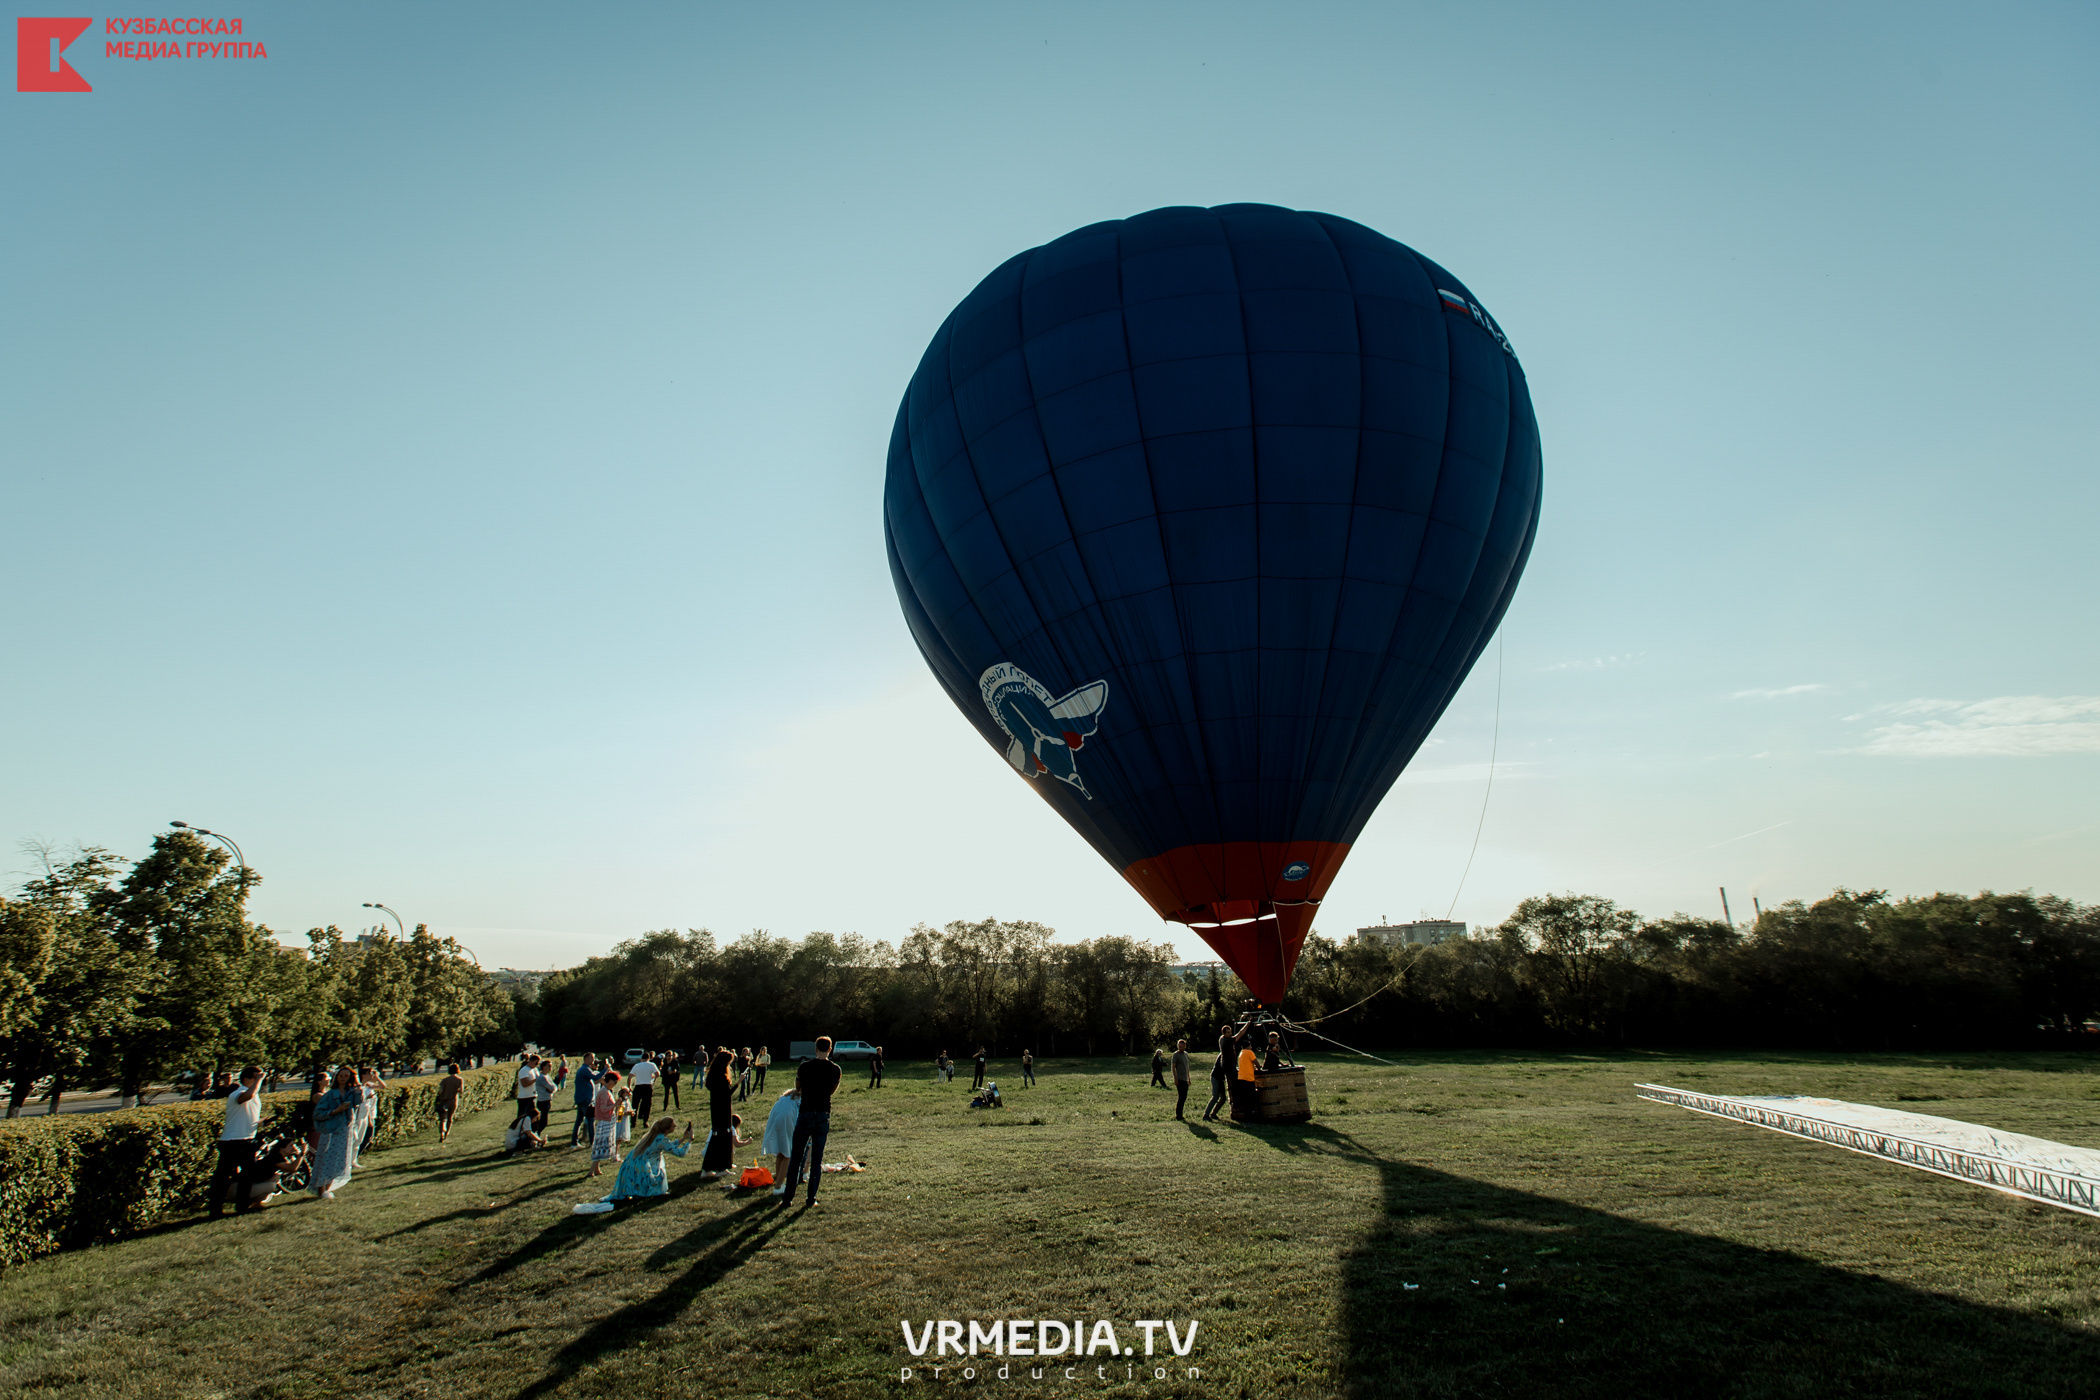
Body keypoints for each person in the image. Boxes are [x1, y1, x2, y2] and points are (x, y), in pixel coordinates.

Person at [779, 1036, 841, 1209]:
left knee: (796, 1158)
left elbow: (798, 1087)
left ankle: (787, 1198)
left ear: (815, 1049)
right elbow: (832, 1091)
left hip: (805, 1112)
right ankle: (811, 1198)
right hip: (822, 1113)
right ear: (830, 1049)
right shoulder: (835, 1069)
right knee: (816, 1159)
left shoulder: (804, 1067)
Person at [207, 1064, 265, 1219]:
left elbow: (245, 1115)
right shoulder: (238, 1093)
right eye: (255, 1077)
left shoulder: (253, 1094)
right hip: (232, 1141)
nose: (259, 1080)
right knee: (223, 1177)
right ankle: (215, 1209)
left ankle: (242, 1207)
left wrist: (259, 1122)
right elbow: (246, 1097)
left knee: (247, 1177)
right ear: (246, 1079)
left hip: (246, 1140)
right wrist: (259, 1080)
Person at [604, 1116, 693, 1201]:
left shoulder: (655, 1135)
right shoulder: (661, 1139)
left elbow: (669, 1146)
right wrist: (689, 1140)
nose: (675, 1126)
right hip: (642, 1165)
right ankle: (648, 1193)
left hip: (632, 1162)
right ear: (667, 1130)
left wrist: (683, 1138)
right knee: (659, 1174)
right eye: (673, 1126)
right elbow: (680, 1153)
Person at [310, 1067, 361, 1199]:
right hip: (330, 1130)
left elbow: (360, 1099)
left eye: (346, 1076)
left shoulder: (351, 1093)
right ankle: (321, 1189)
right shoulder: (330, 1094)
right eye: (340, 1076)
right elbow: (318, 1114)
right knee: (326, 1158)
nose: (343, 1078)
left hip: (345, 1130)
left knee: (339, 1160)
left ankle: (328, 1188)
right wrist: (335, 1110)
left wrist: (357, 1083)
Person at [760, 1088, 800, 1196]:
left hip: (777, 1119)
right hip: (787, 1120)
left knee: (781, 1153)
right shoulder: (798, 1099)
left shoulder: (784, 1099)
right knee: (788, 1154)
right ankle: (778, 1186)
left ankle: (778, 1180)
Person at [589, 1069, 623, 1177]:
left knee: (601, 1146)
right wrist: (615, 1104)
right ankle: (591, 1171)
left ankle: (596, 1169)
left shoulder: (607, 1091)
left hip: (608, 1121)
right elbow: (603, 1109)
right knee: (600, 1146)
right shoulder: (604, 1092)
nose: (615, 1084)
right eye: (614, 1082)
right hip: (604, 1122)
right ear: (610, 1081)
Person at [706, 1047, 735, 1158]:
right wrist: (739, 1082)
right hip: (723, 1109)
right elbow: (727, 1094)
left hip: (715, 1108)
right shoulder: (721, 1077)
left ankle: (717, 1159)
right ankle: (724, 1160)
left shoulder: (713, 1075)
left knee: (717, 1132)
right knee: (725, 1133)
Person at [701, 1112, 746, 1177]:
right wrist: (748, 1142)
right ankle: (722, 1169)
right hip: (715, 1155)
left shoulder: (716, 1127)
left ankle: (708, 1170)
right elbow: (736, 1144)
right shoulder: (731, 1128)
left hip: (706, 1153)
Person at [570, 1054, 600, 1147]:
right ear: (587, 1059)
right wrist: (605, 1069)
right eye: (592, 1058)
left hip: (581, 1099)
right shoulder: (585, 1069)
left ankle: (574, 1142)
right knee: (591, 1120)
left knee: (579, 1121)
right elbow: (595, 1078)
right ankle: (593, 1142)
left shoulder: (582, 1069)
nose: (593, 1060)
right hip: (585, 1100)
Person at [1202, 1030, 1231, 1122]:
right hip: (1215, 1077)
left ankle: (1213, 1113)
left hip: (1220, 1078)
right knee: (1215, 1096)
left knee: (1223, 1098)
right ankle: (1206, 1115)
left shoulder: (1228, 1056)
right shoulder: (1222, 1056)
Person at [1231, 1032, 1260, 1119]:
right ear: (1248, 1046)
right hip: (1248, 1078)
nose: (1251, 1047)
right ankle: (1251, 1114)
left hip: (1241, 1077)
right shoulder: (1249, 1052)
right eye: (1250, 1045)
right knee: (1251, 1097)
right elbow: (1255, 1061)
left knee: (1244, 1097)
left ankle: (1244, 1114)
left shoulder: (1241, 1053)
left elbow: (1247, 1064)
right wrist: (1259, 1067)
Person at [435, 1063, 465, 1143]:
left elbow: (440, 1091)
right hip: (453, 1100)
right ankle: (446, 1134)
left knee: (443, 1119)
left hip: (444, 1101)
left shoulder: (444, 1080)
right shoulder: (459, 1080)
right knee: (450, 1118)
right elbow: (461, 1091)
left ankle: (442, 1133)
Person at [630, 1051, 660, 1125]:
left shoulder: (636, 1065)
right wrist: (653, 1076)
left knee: (635, 1105)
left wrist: (629, 1086)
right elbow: (658, 1074)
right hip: (647, 1086)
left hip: (638, 1086)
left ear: (641, 1059)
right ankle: (645, 1121)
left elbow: (630, 1076)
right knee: (647, 1104)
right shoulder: (652, 1065)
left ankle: (633, 1122)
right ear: (649, 1058)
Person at [533, 1058, 555, 1132]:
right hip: (543, 1101)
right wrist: (551, 1089)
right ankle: (536, 1134)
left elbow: (554, 1088)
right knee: (543, 1122)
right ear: (543, 1067)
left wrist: (551, 1089)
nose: (550, 1067)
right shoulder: (542, 1077)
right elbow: (552, 1088)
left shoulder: (547, 1076)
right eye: (548, 1065)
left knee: (543, 1121)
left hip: (547, 1100)